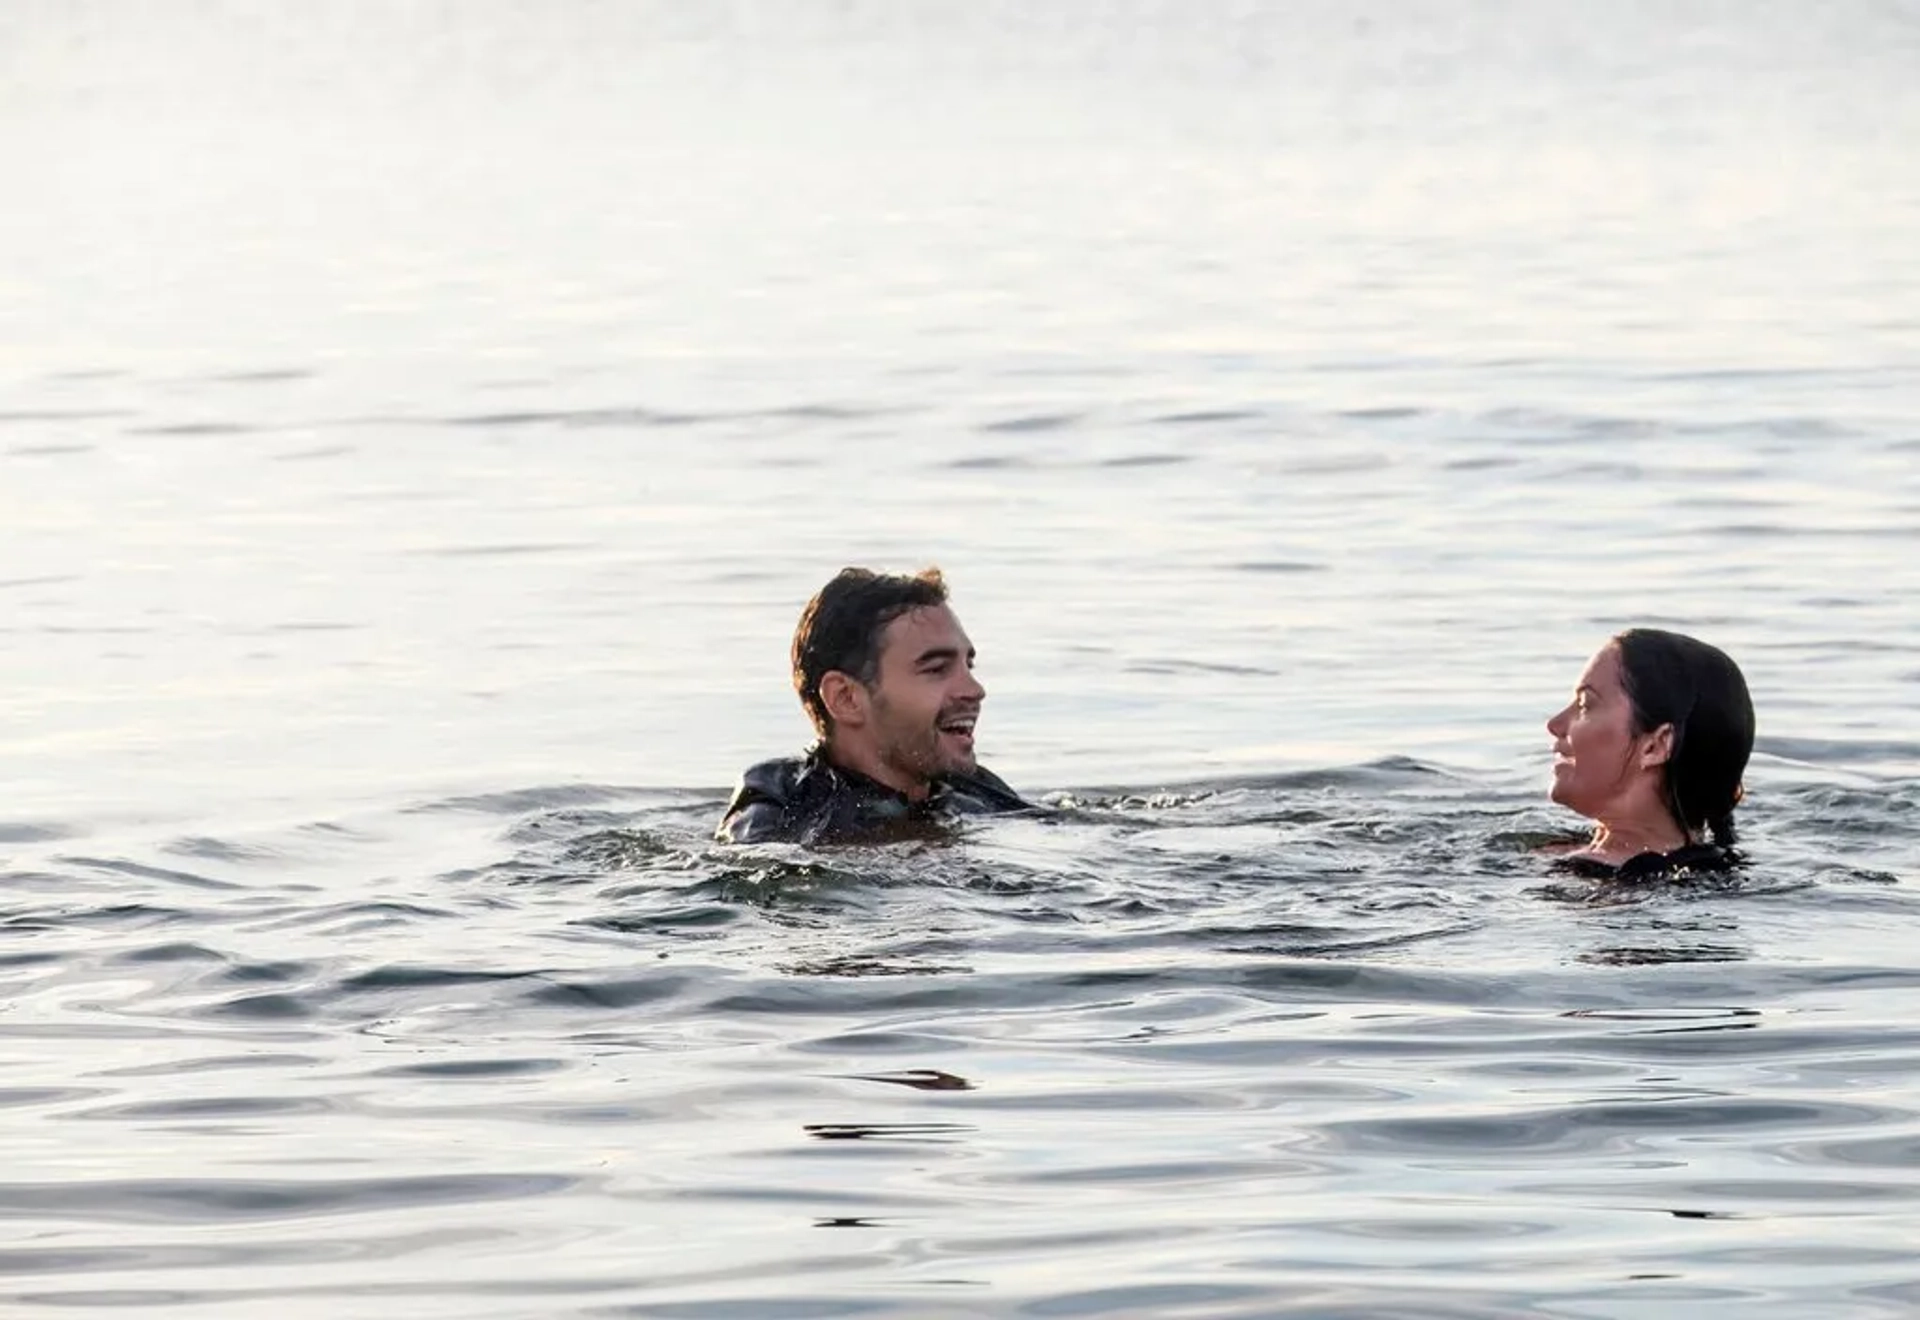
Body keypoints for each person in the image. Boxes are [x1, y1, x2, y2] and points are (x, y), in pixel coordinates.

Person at [715, 566, 1034, 844]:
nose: (974, 690)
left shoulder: (977, 793)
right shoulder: (781, 802)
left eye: (969, 666)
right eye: (936, 669)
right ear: (846, 698)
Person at [1543, 628, 1755, 880]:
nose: (1554, 724)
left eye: (1585, 705)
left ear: (1655, 747)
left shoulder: (1604, 892)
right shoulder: (1713, 869)